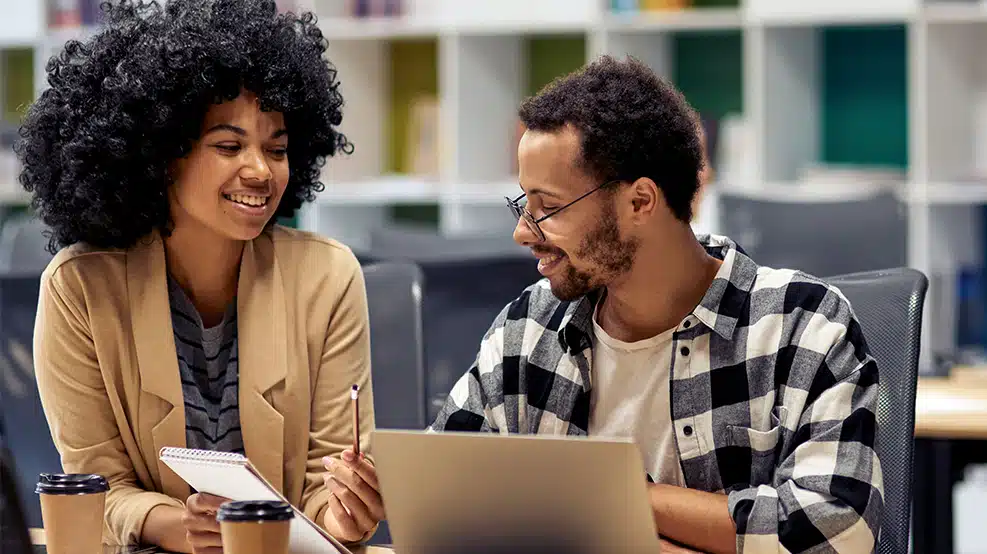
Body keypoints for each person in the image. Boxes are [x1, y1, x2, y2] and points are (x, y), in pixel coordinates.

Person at [427, 55, 884, 553]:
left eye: (549, 208)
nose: (522, 232)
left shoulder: (805, 326)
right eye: (524, 205)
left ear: (641, 201)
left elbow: (838, 531)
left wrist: (619, 500)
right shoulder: (526, 329)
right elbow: (445, 497)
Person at [17, 1, 384, 552]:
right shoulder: (79, 288)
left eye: (277, 148)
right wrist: (174, 525)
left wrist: (345, 519)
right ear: (164, 156)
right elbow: (99, 487)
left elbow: (322, 493)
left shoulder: (328, 277)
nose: (260, 170)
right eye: (229, 146)